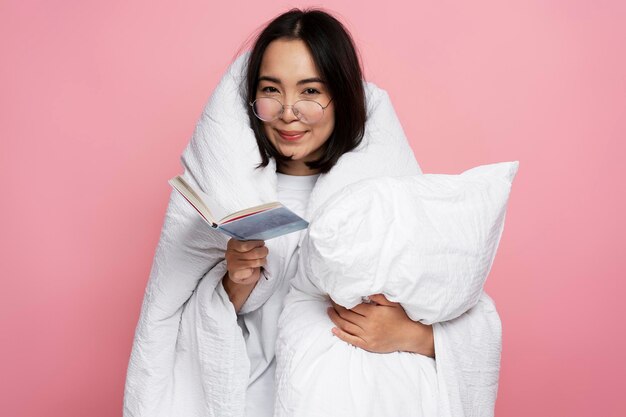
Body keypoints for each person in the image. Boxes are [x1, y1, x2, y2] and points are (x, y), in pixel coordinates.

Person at [124, 8, 502, 417]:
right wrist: (233, 282)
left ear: (340, 96)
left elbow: (465, 313)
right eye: (271, 90)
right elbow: (174, 320)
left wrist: (412, 336)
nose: (289, 111)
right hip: (248, 403)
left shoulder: (386, 197)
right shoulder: (227, 194)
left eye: (310, 92)